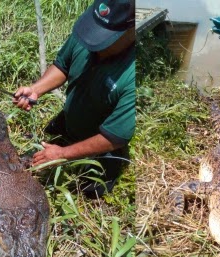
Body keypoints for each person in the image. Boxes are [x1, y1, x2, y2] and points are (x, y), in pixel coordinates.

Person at [13, 0, 135, 197]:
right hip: (71, 122)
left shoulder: (133, 75)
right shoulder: (89, 34)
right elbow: (63, 65)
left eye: (105, 38)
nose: (93, 43)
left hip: (102, 146)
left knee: (88, 191)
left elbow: (114, 137)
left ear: (132, 31)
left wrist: (62, 154)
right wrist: (36, 89)